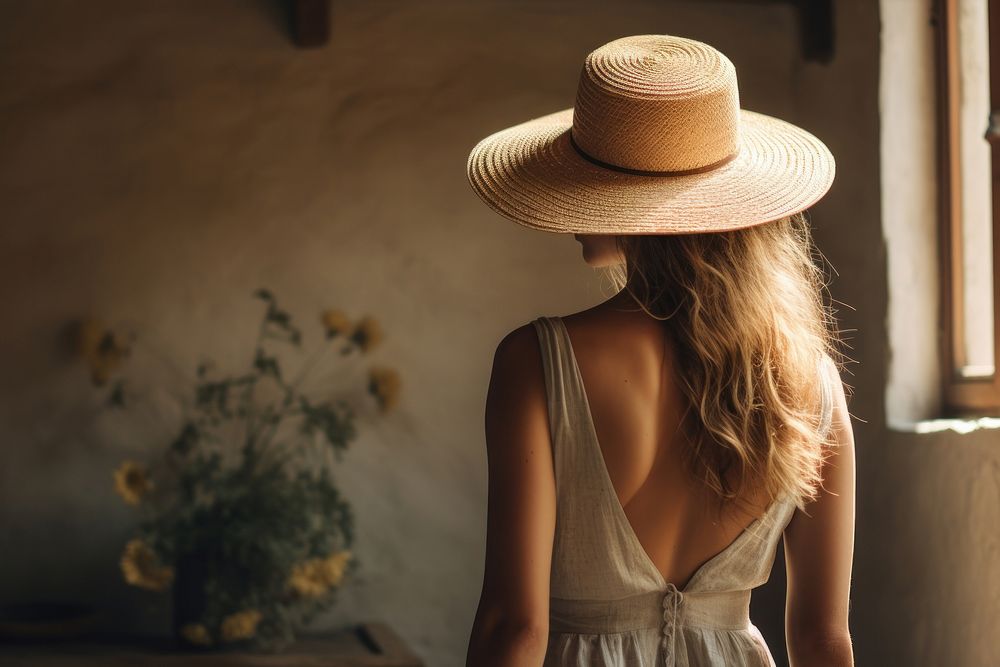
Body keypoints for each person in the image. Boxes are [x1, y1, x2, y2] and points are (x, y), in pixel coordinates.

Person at [463, 35, 855, 667]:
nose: (571, 213)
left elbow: (515, 626)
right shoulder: (810, 383)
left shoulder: (537, 361)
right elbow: (822, 639)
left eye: (583, 183)